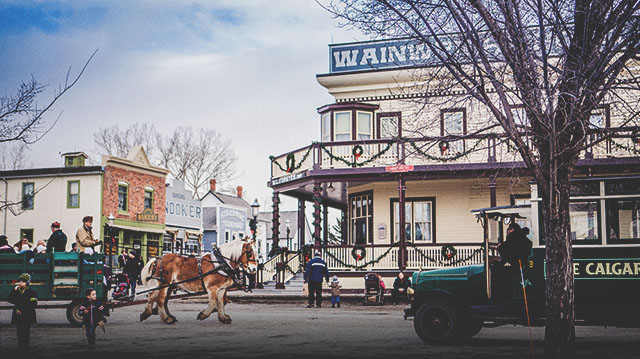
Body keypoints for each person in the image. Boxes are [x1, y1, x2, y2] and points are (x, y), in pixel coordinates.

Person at [8, 273, 38, 352]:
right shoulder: (17, 291)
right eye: (20, 281)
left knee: (26, 332)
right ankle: (20, 347)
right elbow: (10, 299)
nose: (21, 283)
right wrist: (14, 291)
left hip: (27, 315)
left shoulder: (32, 292)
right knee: (19, 332)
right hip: (18, 315)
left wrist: (21, 307)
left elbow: (33, 304)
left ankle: (25, 348)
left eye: (23, 281)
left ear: (27, 282)